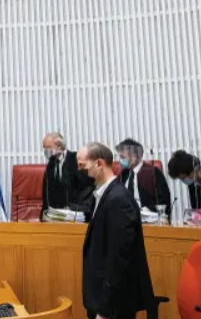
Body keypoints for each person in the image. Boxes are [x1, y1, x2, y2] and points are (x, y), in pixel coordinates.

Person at [79, 142, 154, 319]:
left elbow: (119, 259)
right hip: (102, 298)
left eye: (82, 166)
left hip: (114, 305)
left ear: (99, 164)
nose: (79, 171)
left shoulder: (118, 200)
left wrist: (105, 309)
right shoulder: (101, 195)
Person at [40, 132, 94, 217]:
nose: (46, 151)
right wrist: (44, 215)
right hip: (55, 215)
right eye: (44, 148)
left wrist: (75, 208)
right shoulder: (50, 165)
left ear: (59, 146)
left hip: (76, 213)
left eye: (48, 147)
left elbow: (87, 189)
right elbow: (46, 193)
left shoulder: (77, 159)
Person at [115, 139, 172, 216]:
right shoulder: (124, 174)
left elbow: (164, 203)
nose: (120, 161)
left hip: (148, 218)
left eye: (123, 157)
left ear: (134, 157)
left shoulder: (153, 173)